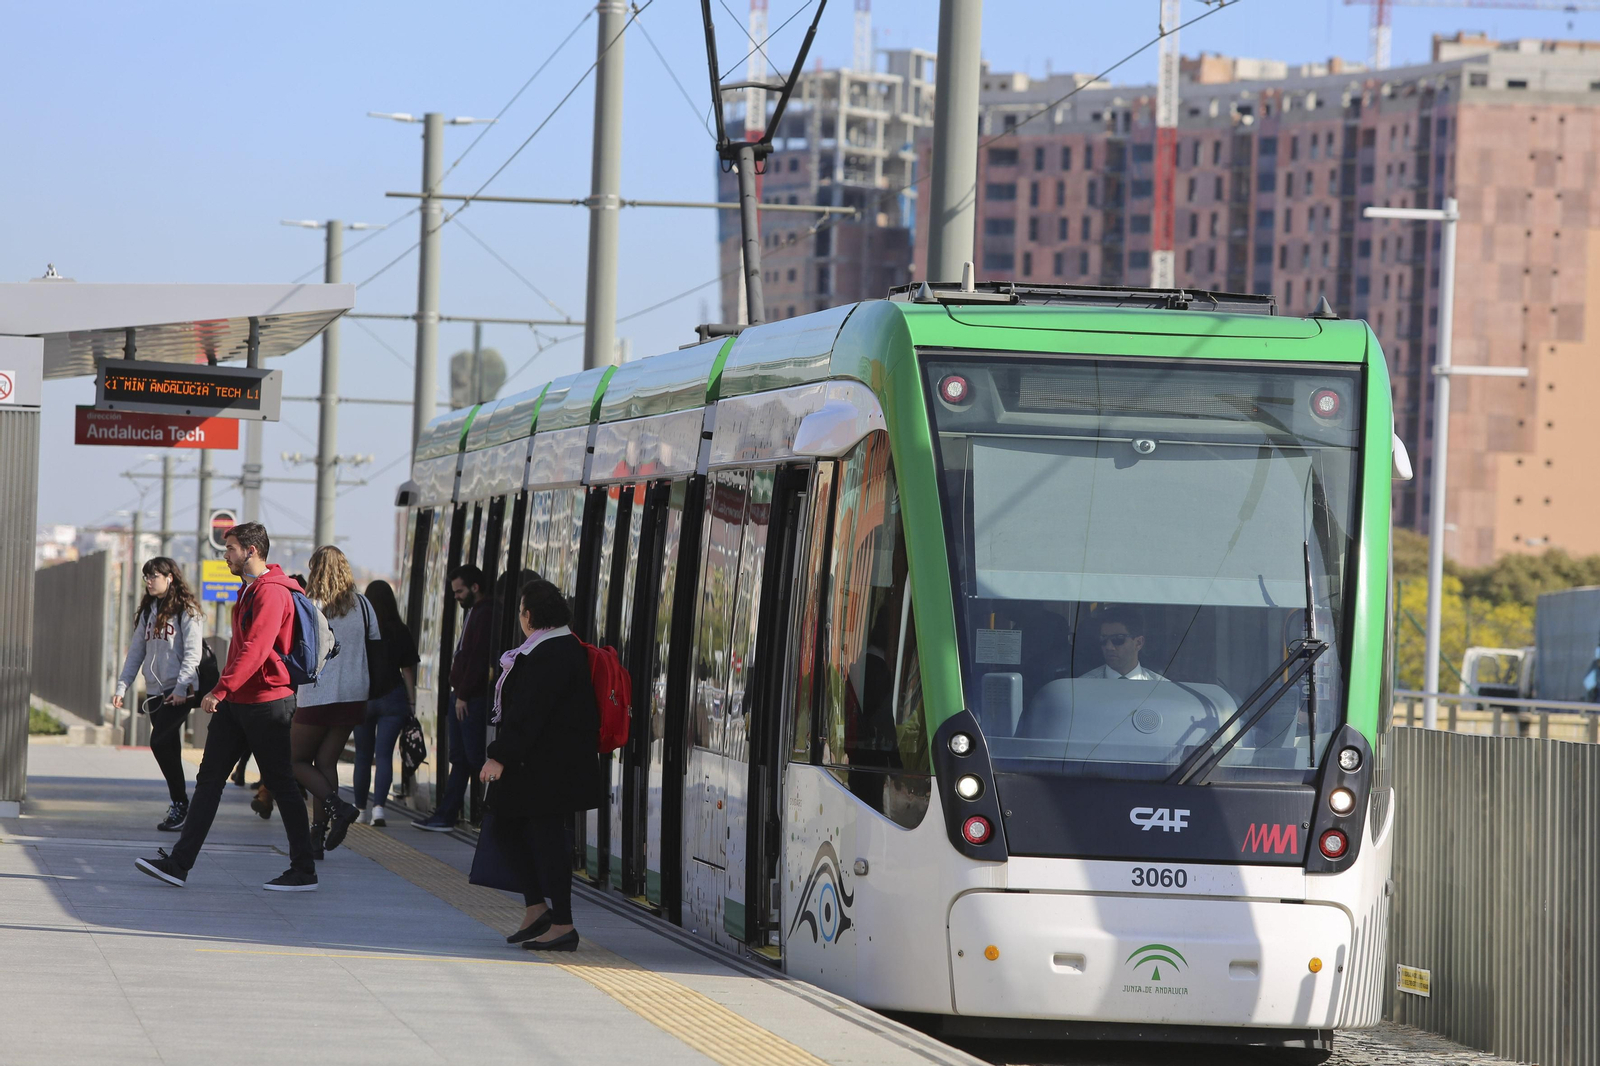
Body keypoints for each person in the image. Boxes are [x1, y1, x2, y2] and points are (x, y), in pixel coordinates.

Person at [134, 522, 317, 891]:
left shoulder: (272, 592)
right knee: (209, 780)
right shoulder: (249, 589)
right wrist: (228, 690)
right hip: (238, 702)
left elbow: (256, 649)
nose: (225, 556)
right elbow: (240, 648)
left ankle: (304, 870)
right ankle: (178, 864)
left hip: (267, 702)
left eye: (230, 549)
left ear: (251, 551)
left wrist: (220, 689)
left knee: (282, 783)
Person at [478, 578, 604, 952]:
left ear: (530, 616)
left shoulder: (550, 653)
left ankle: (561, 924)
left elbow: (528, 713)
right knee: (507, 826)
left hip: (548, 768)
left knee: (547, 840)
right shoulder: (555, 647)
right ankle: (537, 909)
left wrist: (499, 755)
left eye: (521, 611)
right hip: (541, 765)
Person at [291, 546, 373, 856]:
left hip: (317, 693)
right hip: (354, 694)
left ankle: (339, 807)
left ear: (315, 571)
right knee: (326, 762)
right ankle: (317, 836)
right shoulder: (363, 605)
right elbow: (376, 646)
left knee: (294, 760)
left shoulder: (310, 604)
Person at [113, 557, 204, 831]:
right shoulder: (148, 611)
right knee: (169, 746)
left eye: (154, 576)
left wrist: (181, 687)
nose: (149, 581)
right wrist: (122, 685)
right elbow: (136, 651)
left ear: (170, 577)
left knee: (159, 742)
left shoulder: (187, 610)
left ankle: (181, 803)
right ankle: (179, 804)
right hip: (155, 690)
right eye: (146, 577)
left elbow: (193, 653)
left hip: (178, 689)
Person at [414, 564, 492, 831]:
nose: (456, 596)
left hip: (469, 699)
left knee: (472, 758)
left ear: (475, 587)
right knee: (461, 758)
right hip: (462, 695)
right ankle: (446, 814)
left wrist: (463, 694)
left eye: (459, 591)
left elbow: (477, 659)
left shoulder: (484, 614)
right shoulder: (474, 612)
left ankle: (480, 815)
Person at [352, 579, 419, 827]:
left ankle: (360, 809)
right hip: (393, 699)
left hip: (363, 699)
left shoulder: (361, 629)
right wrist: (412, 702)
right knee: (384, 756)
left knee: (362, 756)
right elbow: (408, 670)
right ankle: (379, 810)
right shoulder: (400, 630)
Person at [1078, 607, 1166, 681]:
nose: (1109, 647)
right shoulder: (1083, 686)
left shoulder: (1161, 687)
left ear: (1138, 643)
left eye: (1118, 639)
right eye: (1103, 639)